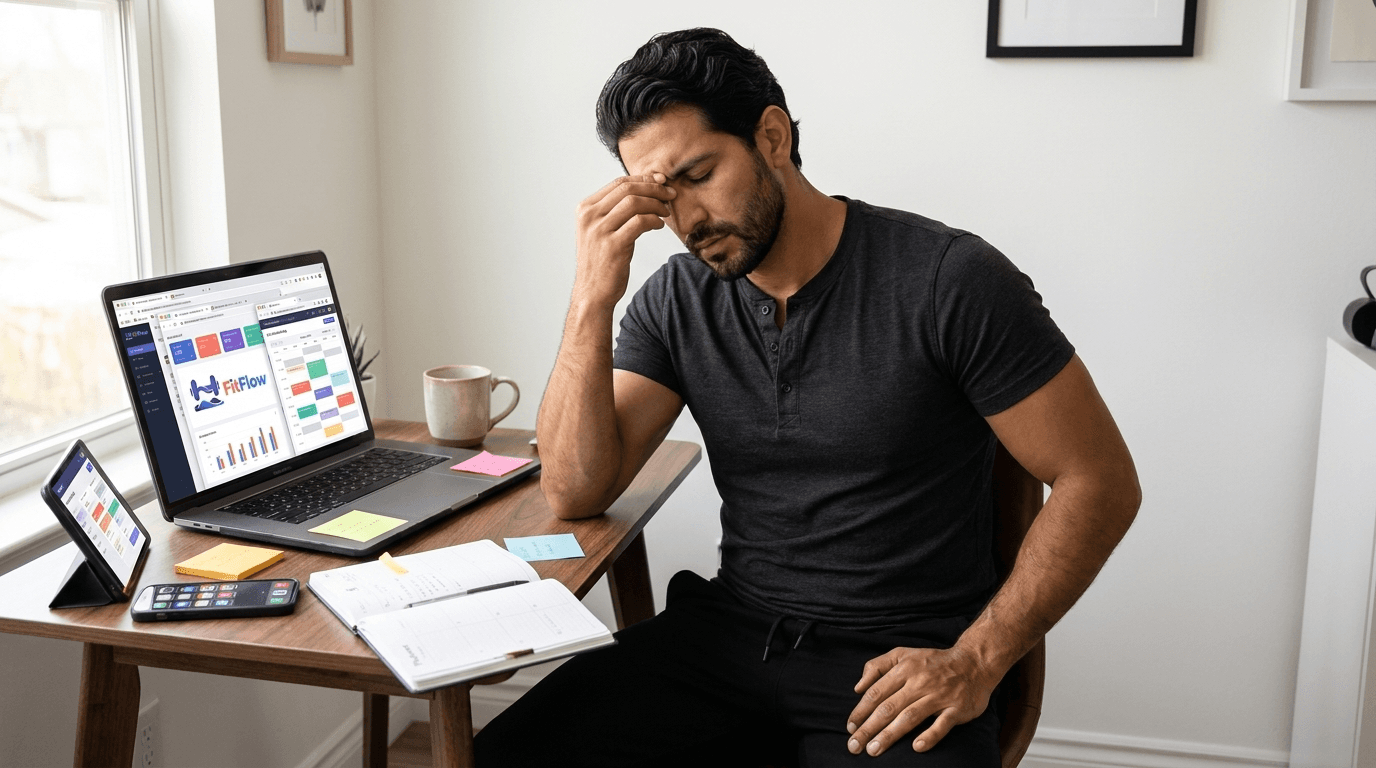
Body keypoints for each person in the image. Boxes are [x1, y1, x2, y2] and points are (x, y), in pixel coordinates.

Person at [473, 27, 1140, 767]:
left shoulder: (948, 281)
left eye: (700, 174)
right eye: (662, 197)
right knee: (502, 757)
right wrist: (590, 298)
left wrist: (977, 659)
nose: (687, 222)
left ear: (772, 137)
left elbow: (1100, 480)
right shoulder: (678, 300)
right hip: (729, 637)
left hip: (895, 663)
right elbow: (574, 488)